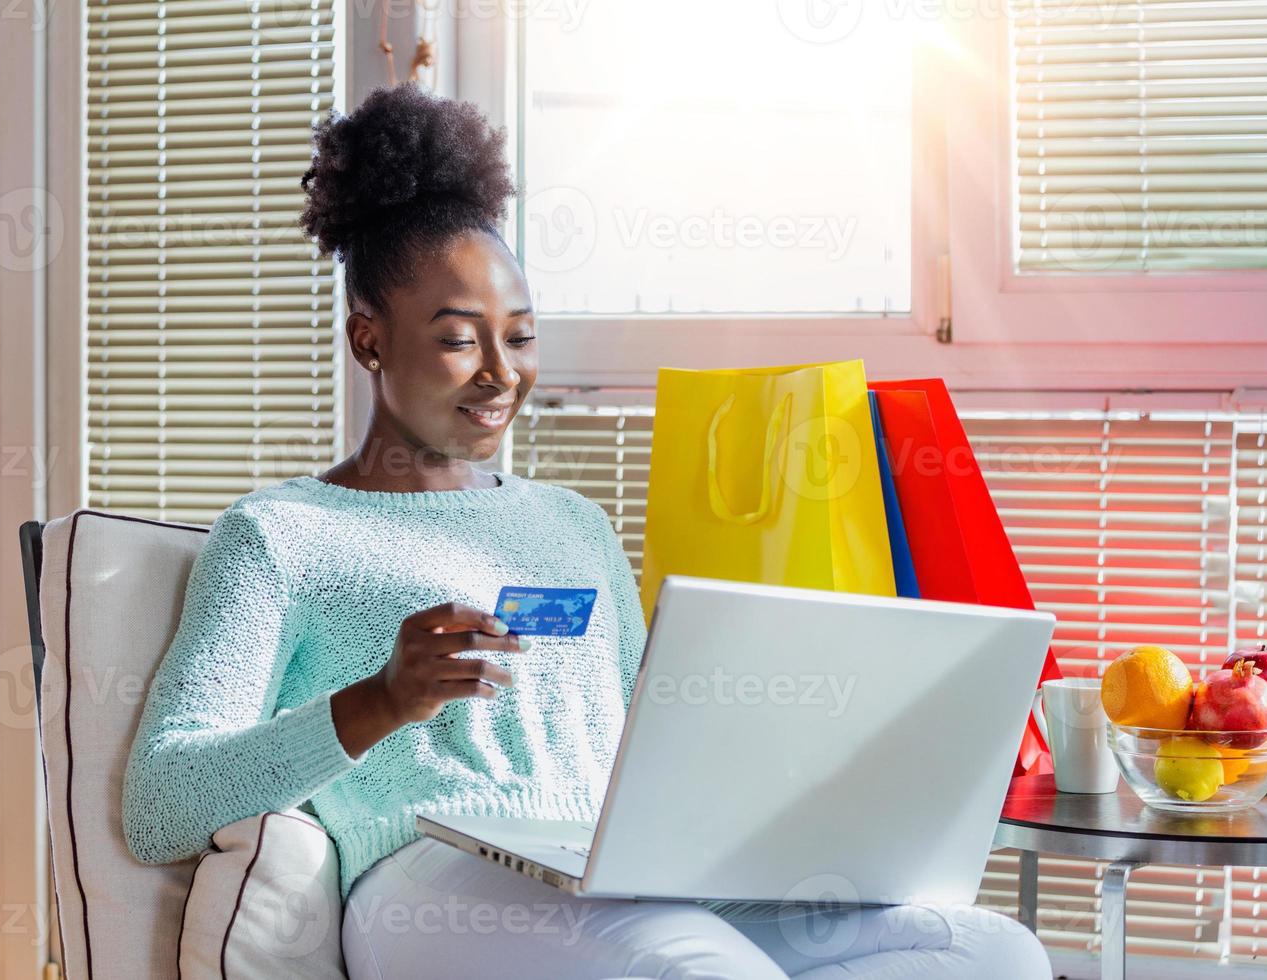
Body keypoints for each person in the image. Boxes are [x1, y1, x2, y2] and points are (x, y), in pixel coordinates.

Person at [121, 82, 1051, 980]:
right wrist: (380, 701)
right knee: (702, 970)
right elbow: (162, 803)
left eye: (519, 336)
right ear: (370, 339)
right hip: (424, 879)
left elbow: (649, 748)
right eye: (457, 338)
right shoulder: (280, 534)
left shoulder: (572, 524)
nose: (499, 373)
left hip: (615, 875)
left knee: (992, 953)